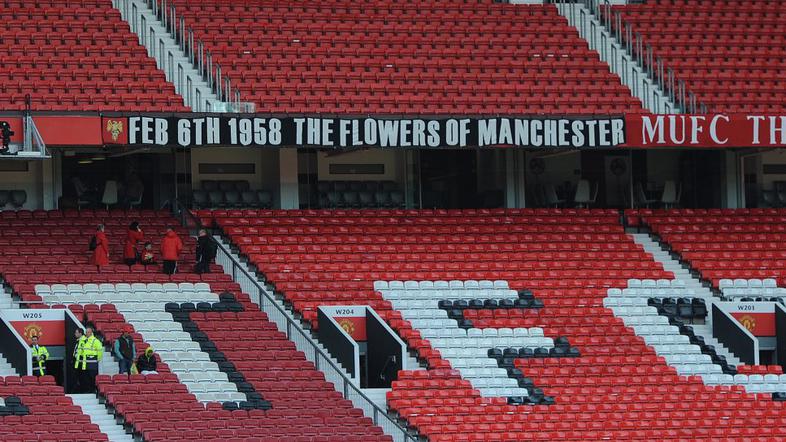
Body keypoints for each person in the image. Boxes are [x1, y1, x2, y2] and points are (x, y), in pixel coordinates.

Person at [75, 327, 102, 393]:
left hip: (92, 363)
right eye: (86, 332)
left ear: (91, 332)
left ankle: (93, 390)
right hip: (84, 363)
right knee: (86, 378)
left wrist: (97, 359)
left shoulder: (95, 341)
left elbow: (100, 351)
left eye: (88, 332)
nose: (86, 333)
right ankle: (88, 390)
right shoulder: (83, 341)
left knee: (92, 378)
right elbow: (80, 350)